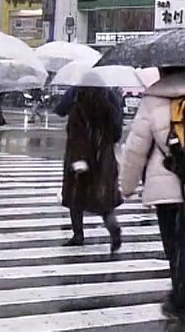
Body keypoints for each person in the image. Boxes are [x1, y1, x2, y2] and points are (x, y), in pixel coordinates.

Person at [119, 66, 185, 326]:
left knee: (177, 244)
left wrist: (127, 186)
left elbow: (136, 150)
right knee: (184, 239)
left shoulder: (152, 100)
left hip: (166, 186)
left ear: (161, 71)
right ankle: (181, 297)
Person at [54, 85, 123, 251]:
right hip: (103, 155)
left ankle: (78, 234)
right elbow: (116, 133)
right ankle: (113, 228)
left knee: (75, 197)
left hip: (79, 153)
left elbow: (61, 111)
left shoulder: (77, 98)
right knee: (103, 198)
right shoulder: (110, 99)